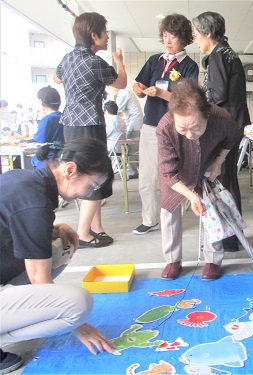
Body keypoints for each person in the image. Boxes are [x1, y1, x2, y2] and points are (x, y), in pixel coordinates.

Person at [0, 139, 115, 373]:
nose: (90, 193)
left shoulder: (26, 180)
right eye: (91, 185)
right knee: (76, 304)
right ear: (70, 170)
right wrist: (79, 326)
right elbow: (39, 280)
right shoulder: (33, 203)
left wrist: (54, 229)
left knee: (61, 244)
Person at [54, 12, 127, 248]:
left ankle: (96, 228)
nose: (107, 38)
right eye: (104, 34)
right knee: (96, 177)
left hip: (69, 125)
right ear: (93, 35)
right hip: (90, 124)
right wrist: (119, 62)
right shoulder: (95, 62)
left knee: (83, 175)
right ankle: (83, 233)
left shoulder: (67, 59)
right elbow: (121, 83)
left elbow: (56, 79)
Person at [156, 78, 241, 281]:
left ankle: (212, 260)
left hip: (206, 167)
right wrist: (191, 196)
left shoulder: (221, 118)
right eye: (182, 128)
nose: (189, 134)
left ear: (206, 114)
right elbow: (167, 172)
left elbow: (233, 137)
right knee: (169, 212)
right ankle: (172, 260)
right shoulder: (165, 127)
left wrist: (219, 161)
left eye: (195, 127)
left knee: (211, 211)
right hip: (176, 174)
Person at [132, 13, 199, 236]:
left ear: (184, 38)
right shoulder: (154, 61)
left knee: (174, 174)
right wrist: (139, 89)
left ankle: (173, 219)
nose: (168, 40)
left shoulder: (189, 66)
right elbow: (138, 84)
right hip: (150, 124)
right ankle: (149, 219)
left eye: (173, 36)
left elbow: (189, 100)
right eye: (165, 36)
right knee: (147, 175)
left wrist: (162, 93)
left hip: (175, 127)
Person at [192, 11, 250, 252]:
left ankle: (229, 237)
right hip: (233, 125)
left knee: (222, 182)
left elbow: (217, 95)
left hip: (225, 128)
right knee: (227, 181)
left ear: (207, 33)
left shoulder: (218, 56)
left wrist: (196, 98)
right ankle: (232, 236)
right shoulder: (228, 53)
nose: (195, 39)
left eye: (196, 34)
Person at [107, 87, 143, 179]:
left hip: (134, 124)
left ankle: (133, 171)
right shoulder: (125, 93)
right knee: (133, 149)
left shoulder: (123, 93)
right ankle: (133, 170)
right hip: (133, 123)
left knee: (133, 150)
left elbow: (116, 109)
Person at [30, 86, 64, 169]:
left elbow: (38, 139)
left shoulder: (47, 119)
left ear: (41, 101)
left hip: (48, 158)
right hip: (62, 156)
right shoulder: (64, 117)